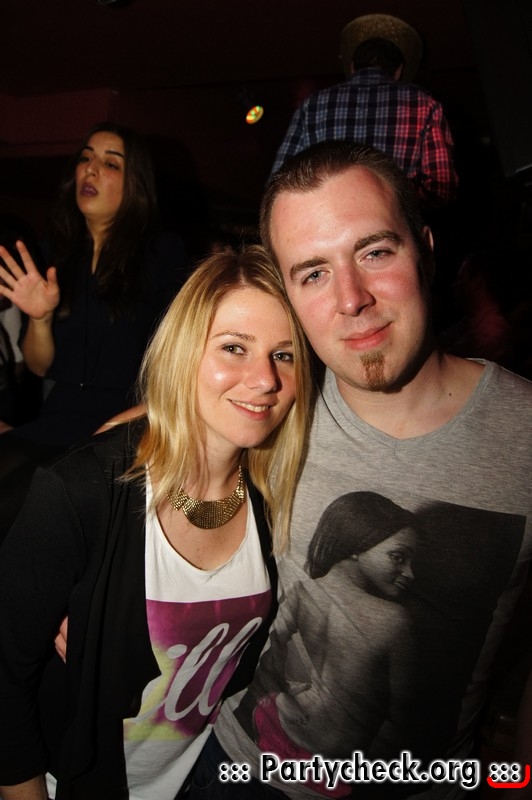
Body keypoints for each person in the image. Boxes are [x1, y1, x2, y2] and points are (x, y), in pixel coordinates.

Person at [187, 141, 532, 799]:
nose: (351, 299)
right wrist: (97, 580)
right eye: (313, 272)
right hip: (238, 770)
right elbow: (150, 434)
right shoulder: (270, 403)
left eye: (375, 252)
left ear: (425, 250)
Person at [0, 245, 312, 800]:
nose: (265, 378)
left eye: (284, 355)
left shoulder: (274, 496)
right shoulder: (83, 492)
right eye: (234, 347)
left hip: (199, 778)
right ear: (184, 351)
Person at [0, 122, 189, 537]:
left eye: (110, 163)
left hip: (125, 426)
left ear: (135, 183)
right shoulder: (54, 253)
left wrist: (146, 416)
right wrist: (40, 317)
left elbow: (182, 360)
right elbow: (38, 366)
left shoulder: (162, 253)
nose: (91, 169)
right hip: (57, 418)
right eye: (86, 158)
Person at [238, 492, 420, 783]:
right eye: (398, 557)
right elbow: (402, 718)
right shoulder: (394, 621)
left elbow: (264, 660)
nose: (410, 573)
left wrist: (283, 699)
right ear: (358, 544)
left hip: (271, 730)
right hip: (328, 765)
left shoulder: (302, 592)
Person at [270, 14, 458, 208]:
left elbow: (279, 182)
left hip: (326, 217)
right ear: (398, 70)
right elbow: (442, 188)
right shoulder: (424, 104)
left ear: (353, 67)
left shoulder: (312, 105)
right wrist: (396, 201)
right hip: (393, 220)